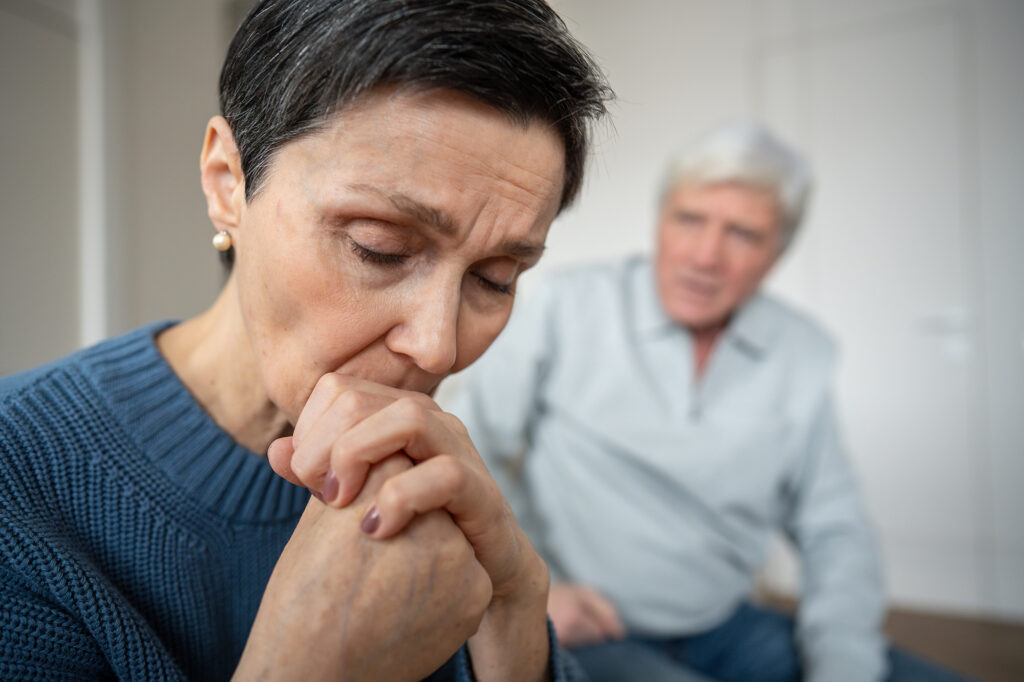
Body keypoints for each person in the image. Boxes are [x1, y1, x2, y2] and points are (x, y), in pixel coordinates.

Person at [0, 1, 610, 679]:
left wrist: (518, 612)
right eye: (378, 249)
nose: (438, 348)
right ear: (227, 182)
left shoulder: (423, 483)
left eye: (496, 279)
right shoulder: (16, 485)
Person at [449, 123, 965, 682]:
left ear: (778, 253)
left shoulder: (802, 352)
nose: (705, 256)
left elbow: (835, 531)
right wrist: (528, 586)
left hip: (726, 625)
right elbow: (470, 450)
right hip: (591, 624)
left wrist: (844, 669)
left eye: (743, 234)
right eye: (689, 220)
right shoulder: (563, 306)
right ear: (660, 219)